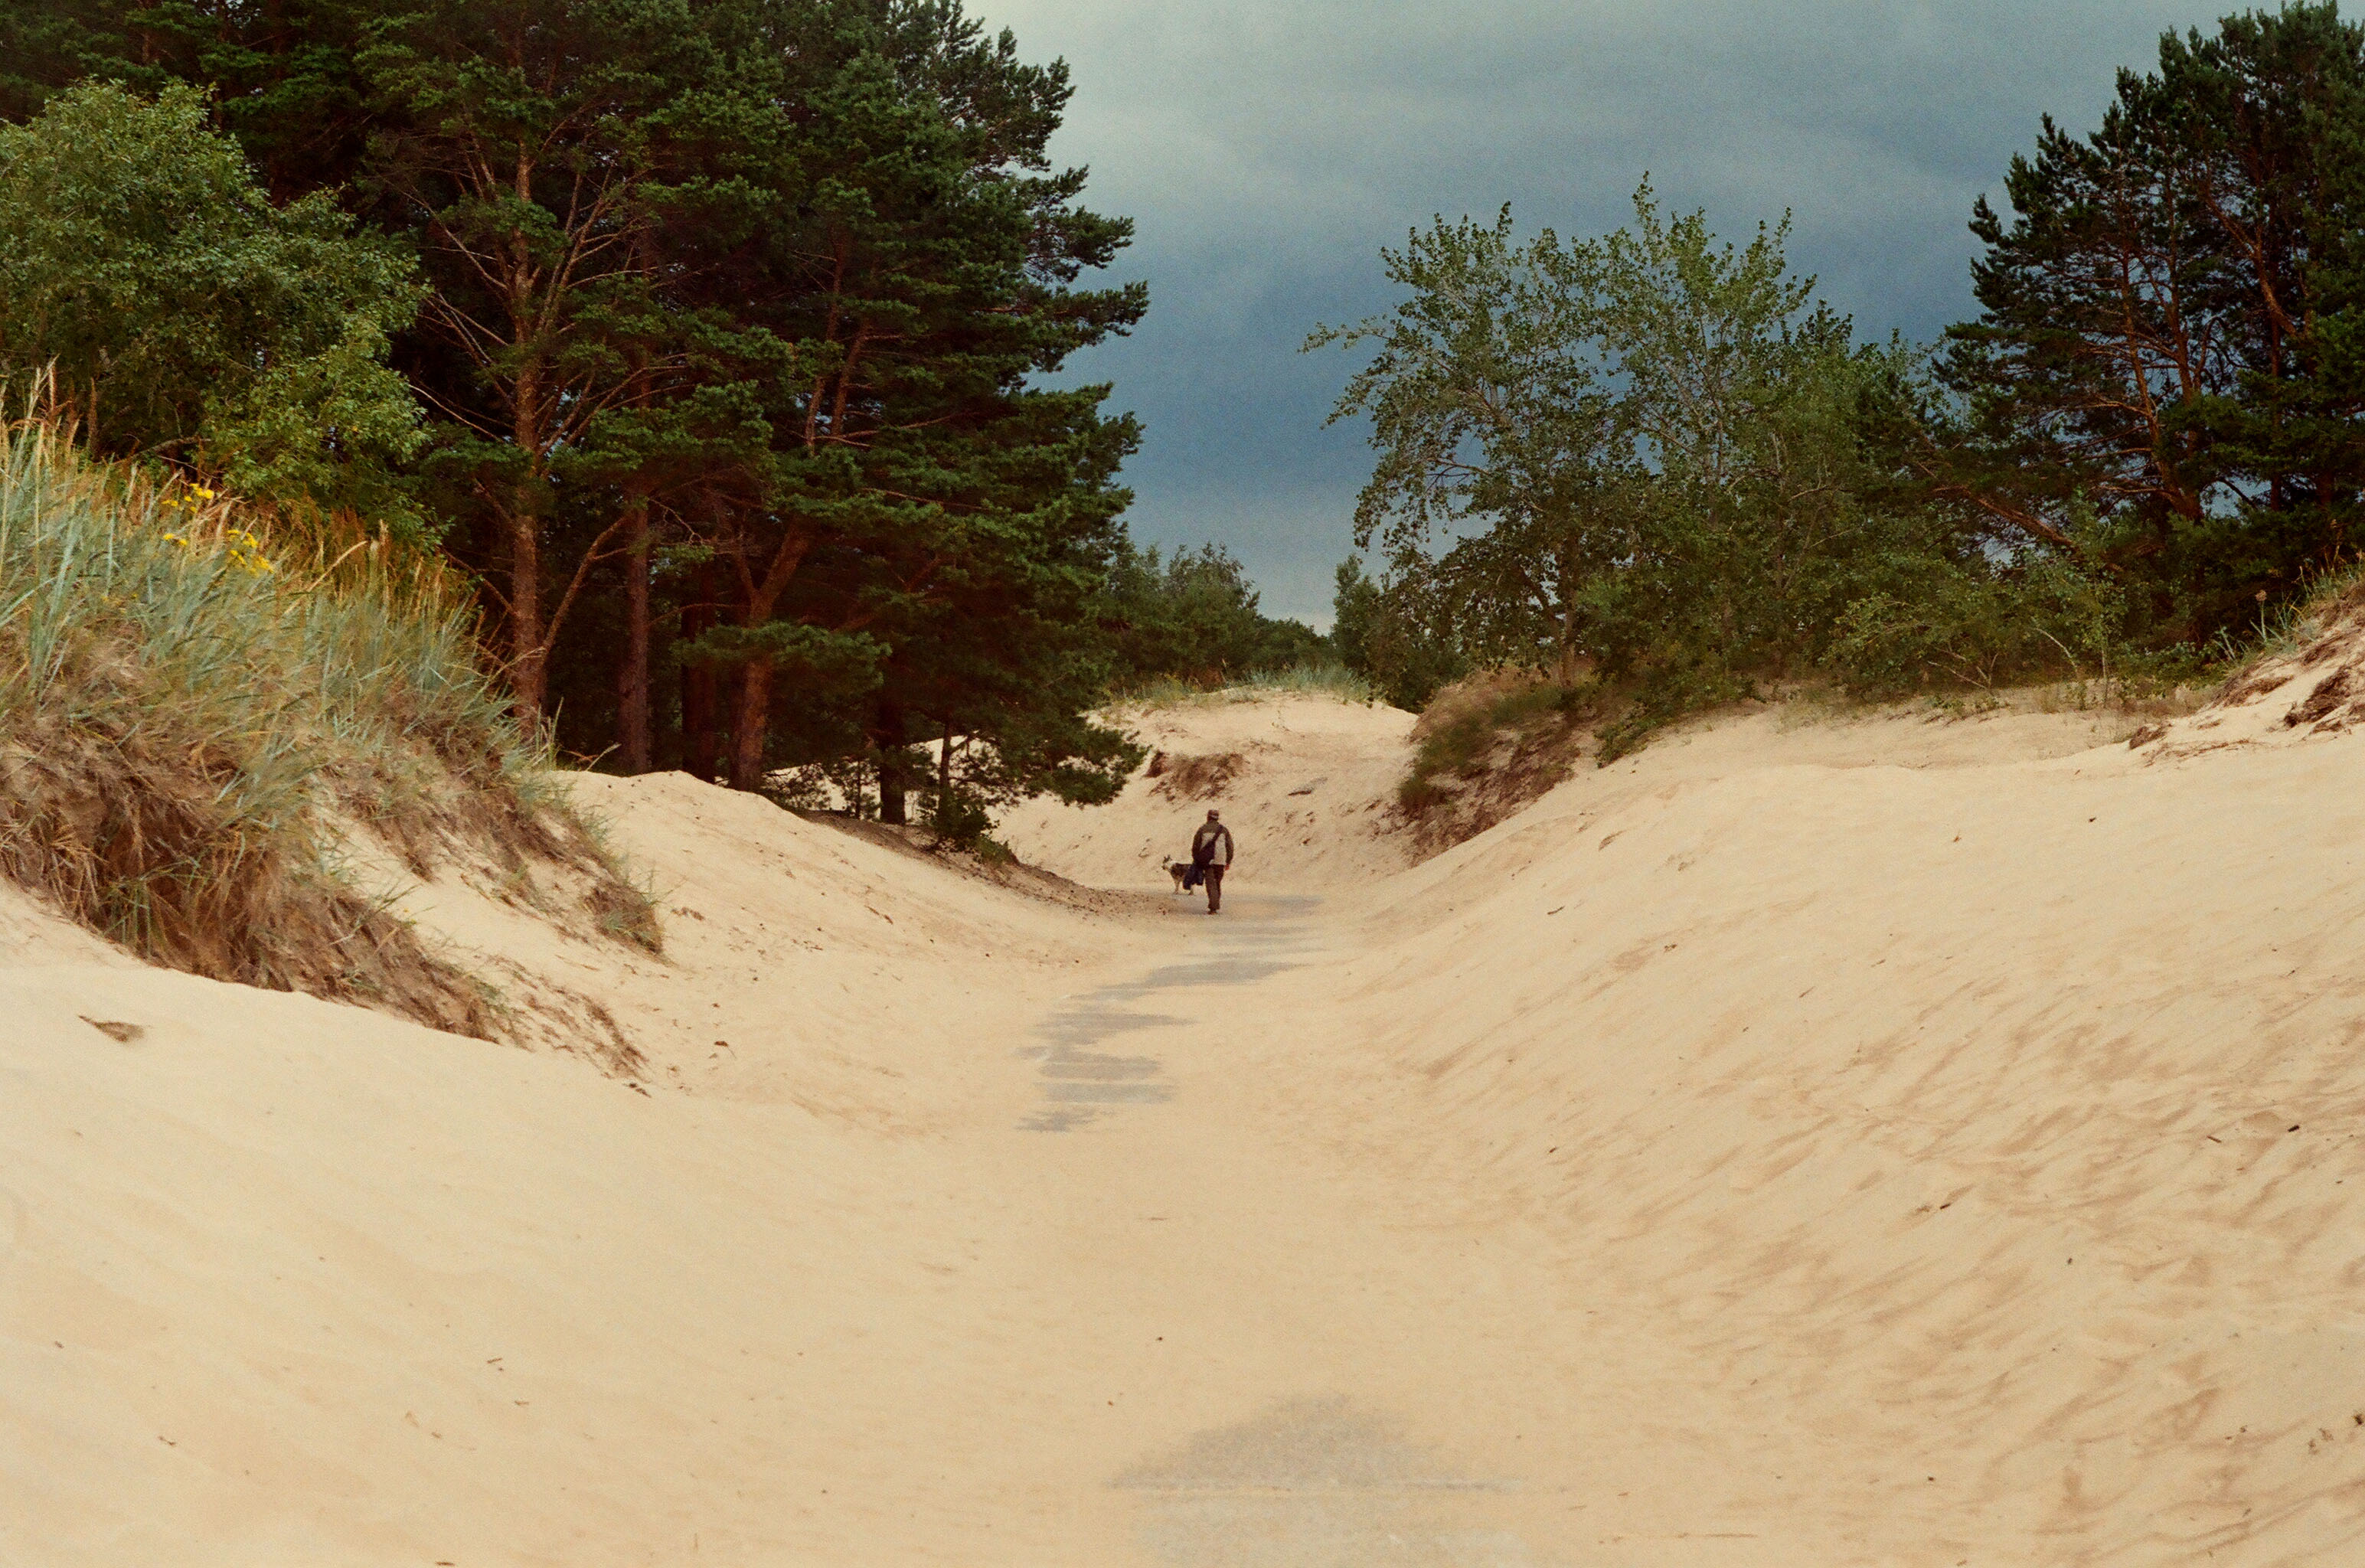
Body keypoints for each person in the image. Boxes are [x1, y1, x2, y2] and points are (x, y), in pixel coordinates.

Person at [1190, 808, 1234, 914]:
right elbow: (1230, 847)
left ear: (1208, 817)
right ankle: (1215, 903)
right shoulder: (1224, 830)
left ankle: (1213, 907)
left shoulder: (1202, 829)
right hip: (1221, 860)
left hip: (1208, 861)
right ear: (1217, 818)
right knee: (1217, 882)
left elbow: (1195, 846)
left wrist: (1197, 859)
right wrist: (1228, 861)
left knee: (1211, 883)